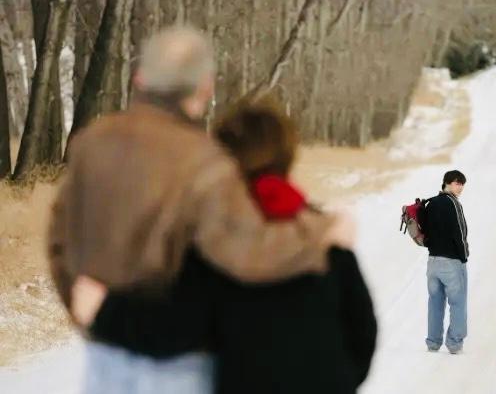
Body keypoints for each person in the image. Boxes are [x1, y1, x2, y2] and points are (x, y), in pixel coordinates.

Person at [48, 27, 351, 393]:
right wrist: (321, 234)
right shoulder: (205, 161)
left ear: (140, 78)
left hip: (104, 356)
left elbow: (58, 241)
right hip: (179, 362)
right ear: (204, 87)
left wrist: (87, 314)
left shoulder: (90, 143)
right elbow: (246, 250)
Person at [77, 97, 377, 394]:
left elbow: (168, 330)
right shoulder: (324, 239)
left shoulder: (215, 244)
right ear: (287, 157)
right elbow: (363, 335)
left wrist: (101, 309)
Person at [418, 170, 469, 354]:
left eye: (462, 184)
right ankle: (454, 344)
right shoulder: (453, 204)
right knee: (458, 303)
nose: (460, 187)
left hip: (433, 262)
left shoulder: (430, 203)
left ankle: (433, 342)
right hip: (451, 262)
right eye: (457, 183)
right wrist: (463, 258)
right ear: (446, 183)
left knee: (435, 302)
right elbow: (460, 233)